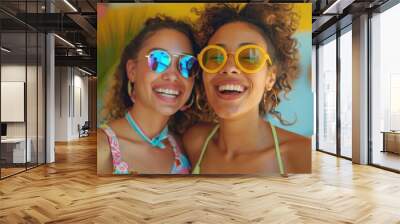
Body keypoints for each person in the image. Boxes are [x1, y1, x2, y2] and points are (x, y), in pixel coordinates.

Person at [184, 3, 311, 175]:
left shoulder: (302, 155)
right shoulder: (194, 142)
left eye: (249, 56)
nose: (229, 67)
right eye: (215, 56)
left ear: (270, 78)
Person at [98, 15, 199, 175]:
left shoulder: (185, 148)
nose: (173, 75)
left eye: (187, 64)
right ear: (132, 71)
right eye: (158, 60)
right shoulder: (102, 148)